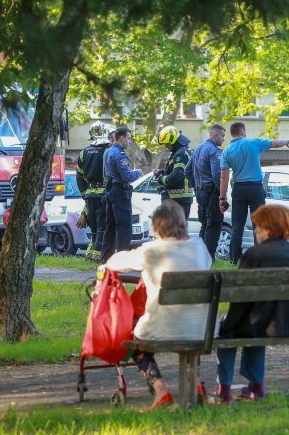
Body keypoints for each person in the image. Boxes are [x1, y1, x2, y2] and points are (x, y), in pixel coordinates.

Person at [215, 205, 289, 403]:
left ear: (268, 230)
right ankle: (255, 386)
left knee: (230, 327)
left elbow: (241, 301)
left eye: (258, 227)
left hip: (264, 325)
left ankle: (225, 389)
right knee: (253, 324)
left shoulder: (253, 255)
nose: (255, 231)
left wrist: (227, 325)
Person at [104, 199, 212, 410]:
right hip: (202, 328)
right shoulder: (199, 248)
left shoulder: (151, 251)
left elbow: (114, 263)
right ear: (182, 224)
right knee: (189, 328)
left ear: (155, 227)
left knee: (133, 335)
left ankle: (161, 391)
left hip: (162, 327)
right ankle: (197, 386)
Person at [218, 122, 289, 263]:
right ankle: (260, 257)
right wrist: (287, 140)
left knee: (237, 226)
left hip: (239, 190)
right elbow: (275, 143)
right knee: (259, 224)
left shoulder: (226, 151)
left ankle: (234, 258)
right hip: (255, 188)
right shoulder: (253, 142)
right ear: (242, 131)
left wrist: (222, 198)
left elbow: (224, 177)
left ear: (232, 133)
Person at [101, 126, 142, 262]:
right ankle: (122, 261)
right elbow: (126, 176)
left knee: (110, 227)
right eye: (128, 138)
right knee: (124, 226)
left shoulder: (107, 152)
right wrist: (138, 172)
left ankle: (106, 259)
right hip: (119, 192)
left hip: (110, 191)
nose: (129, 142)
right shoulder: (120, 154)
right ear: (121, 138)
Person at [186, 124, 226, 259]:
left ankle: (200, 256)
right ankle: (209, 258)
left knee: (204, 224)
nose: (223, 139)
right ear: (214, 135)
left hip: (200, 192)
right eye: (222, 136)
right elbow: (216, 176)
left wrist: (195, 185)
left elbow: (187, 170)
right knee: (214, 225)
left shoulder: (197, 149)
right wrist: (222, 194)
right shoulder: (214, 151)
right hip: (211, 193)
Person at [76, 122, 111, 261]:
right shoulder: (108, 150)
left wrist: (84, 194)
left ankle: (90, 256)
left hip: (90, 195)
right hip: (103, 194)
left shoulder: (84, 152)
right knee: (103, 227)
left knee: (95, 229)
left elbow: (79, 176)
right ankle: (97, 257)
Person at [154, 125, 193, 219]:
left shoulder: (181, 154)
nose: (166, 146)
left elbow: (177, 175)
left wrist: (160, 179)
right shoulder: (179, 152)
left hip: (179, 200)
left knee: (176, 231)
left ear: (173, 141)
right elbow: (177, 170)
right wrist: (163, 172)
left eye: (167, 143)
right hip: (176, 200)